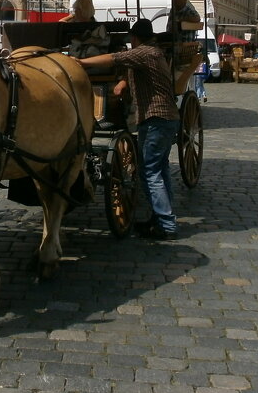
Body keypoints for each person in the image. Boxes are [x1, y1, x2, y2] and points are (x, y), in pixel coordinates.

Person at [77, 19, 180, 240]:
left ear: (134, 38)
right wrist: (124, 82)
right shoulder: (154, 52)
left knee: (150, 172)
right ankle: (162, 219)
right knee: (159, 170)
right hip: (165, 118)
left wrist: (80, 63)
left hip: (155, 118)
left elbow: (114, 58)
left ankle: (166, 224)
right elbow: (131, 70)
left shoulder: (143, 53)